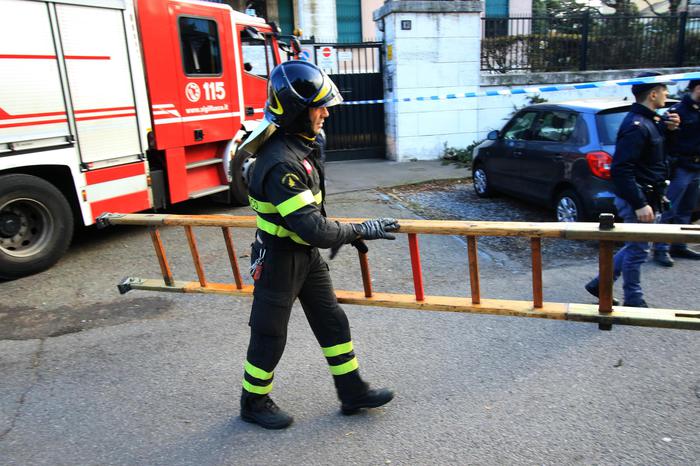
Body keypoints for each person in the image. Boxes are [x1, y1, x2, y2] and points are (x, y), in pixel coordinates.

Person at [237, 61, 399, 429]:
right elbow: (314, 229)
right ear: (296, 112)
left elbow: (315, 220)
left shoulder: (303, 145)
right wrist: (360, 229)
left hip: (304, 257)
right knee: (270, 334)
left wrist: (342, 232)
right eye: (319, 106)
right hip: (279, 257)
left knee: (332, 321)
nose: (327, 112)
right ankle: (253, 402)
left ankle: (352, 391)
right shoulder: (280, 163)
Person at [584, 71, 680, 308]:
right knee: (638, 250)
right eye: (664, 90)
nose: (667, 94)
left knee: (636, 246)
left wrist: (669, 131)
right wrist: (639, 203)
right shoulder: (636, 125)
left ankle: (600, 284)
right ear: (654, 93)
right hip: (639, 197)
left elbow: (657, 157)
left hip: (649, 195)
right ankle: (634, 299)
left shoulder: (652, 122)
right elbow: (621, 169)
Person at [652, 79, 700, 266]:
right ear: (696, 88)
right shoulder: (678, 111)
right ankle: (661, 248)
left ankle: (679, 245)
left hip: (696, 167)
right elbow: (667, 139)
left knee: (686, 209)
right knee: (669, 209)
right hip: (680, 167)